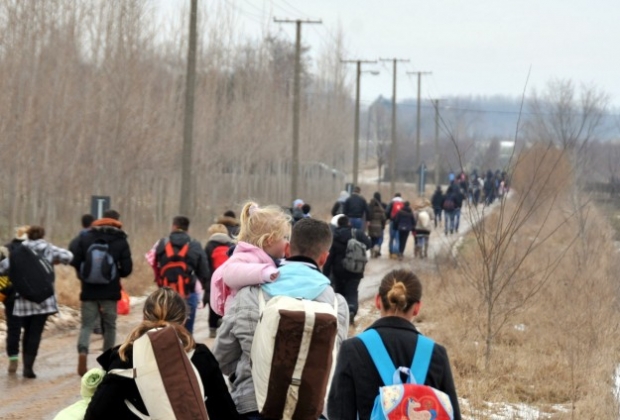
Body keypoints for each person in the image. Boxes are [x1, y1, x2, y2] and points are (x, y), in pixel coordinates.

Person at [213, 218, 349, 419]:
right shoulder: (337, 305)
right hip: (311, 411)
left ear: (287, 249)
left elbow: (222, 359)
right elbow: (334, 362)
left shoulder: (249, 294)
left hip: (254, 407)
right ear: (324, 258)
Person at [84, 288, 239, 419]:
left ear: (144, 318)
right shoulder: (200, 356)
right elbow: (226, 412)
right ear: (184, 320)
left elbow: (95, 414)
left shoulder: (125, 357)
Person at [327, 269, 461, 420]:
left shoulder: (353, 349)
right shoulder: (435, 355)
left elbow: (340, 414)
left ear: (378, 301)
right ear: (417, 308)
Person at [0, 226, 73, 378]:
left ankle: (22, 361)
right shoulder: (48, 249)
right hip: (44, 299)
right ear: (42, 235)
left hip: (23, 299)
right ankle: (28, 366)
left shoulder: (18, 251)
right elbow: (69, 256)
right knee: (35, 332)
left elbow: (2, 268)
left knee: (26, 330)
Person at [71, 209, 133, 377]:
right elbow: (127, 269)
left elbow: (75, 260)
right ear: (117, 221)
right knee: (110, 325)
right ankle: (107, 361)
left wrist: (84, 276)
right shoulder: (120, 240)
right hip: (110, 291)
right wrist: (114, 275)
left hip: (89, 290)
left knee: (86, 325)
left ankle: (83, 352)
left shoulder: (86, 237)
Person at [210, 201, 290, 316]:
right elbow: (229, 273)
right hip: (239, 322)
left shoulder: (266, 259)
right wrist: (265, 272)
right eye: (284, 237)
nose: (287, 242)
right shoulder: (247, 257)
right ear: (270, 240)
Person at [152, 215, 210, 335]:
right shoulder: (194, 244)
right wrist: (201, 284)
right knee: (186, 332)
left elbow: (155, 265)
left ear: (174, 226)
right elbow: (204, 271)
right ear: (187, 229)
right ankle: (186, 350)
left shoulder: (162, 243)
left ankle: (167, 351)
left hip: (166, 293)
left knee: (166, 329)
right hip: (188, 292)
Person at [323, 215, 372, 325]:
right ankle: (351, 310)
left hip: (338, 271)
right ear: (349, 223)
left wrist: (325, 274)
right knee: (352, 292)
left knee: (339, 293)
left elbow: (329, 257)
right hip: (356, 269)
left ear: (338, 225)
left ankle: (340, 316)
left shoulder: (334, 236)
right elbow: (369, 244)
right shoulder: (357, 233)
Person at [69, 214, 104, 336]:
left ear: (82, 224)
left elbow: (71, 257)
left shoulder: (77, 239)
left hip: (84, 274)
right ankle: (99, 325)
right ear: (93, 223)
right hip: (101, 272)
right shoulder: (99, 236)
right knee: (101, 297)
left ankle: (90, 324)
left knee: (88, 297)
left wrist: (80, 268)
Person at [0, 226, 28, 374]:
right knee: (30, 329)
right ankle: (29, 361)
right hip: (28, 295)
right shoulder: (31, 249)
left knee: (13, 328)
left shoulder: (6, 249)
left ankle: (13, 358)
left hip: (9, 295)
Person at [204, 223, 234, 338]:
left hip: (213, 279)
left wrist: (205, 281)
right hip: (228, 279)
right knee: (227, 302)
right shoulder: (231, 244)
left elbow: (205, 265)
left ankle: (212, 329)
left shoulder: (209, 245)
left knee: (213, 304)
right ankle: (226, 326)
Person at [385, 193, 404, 259]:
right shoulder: (403, 203)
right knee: (397, 238)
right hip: (400, 223)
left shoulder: (391, 202)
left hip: (392, 221)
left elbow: (387, 212)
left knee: (391, 237)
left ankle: (391, 252)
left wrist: (388, 218)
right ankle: (396, 252)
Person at [367, 192, 386, 258]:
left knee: (372, 238)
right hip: (379, 226)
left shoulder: (370, 206)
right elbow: (384, 218)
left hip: (371, 226)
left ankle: (372, 251)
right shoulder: (381, 207)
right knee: (379, 239)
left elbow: (367, 215)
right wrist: (383, 226)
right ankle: (377, 247)